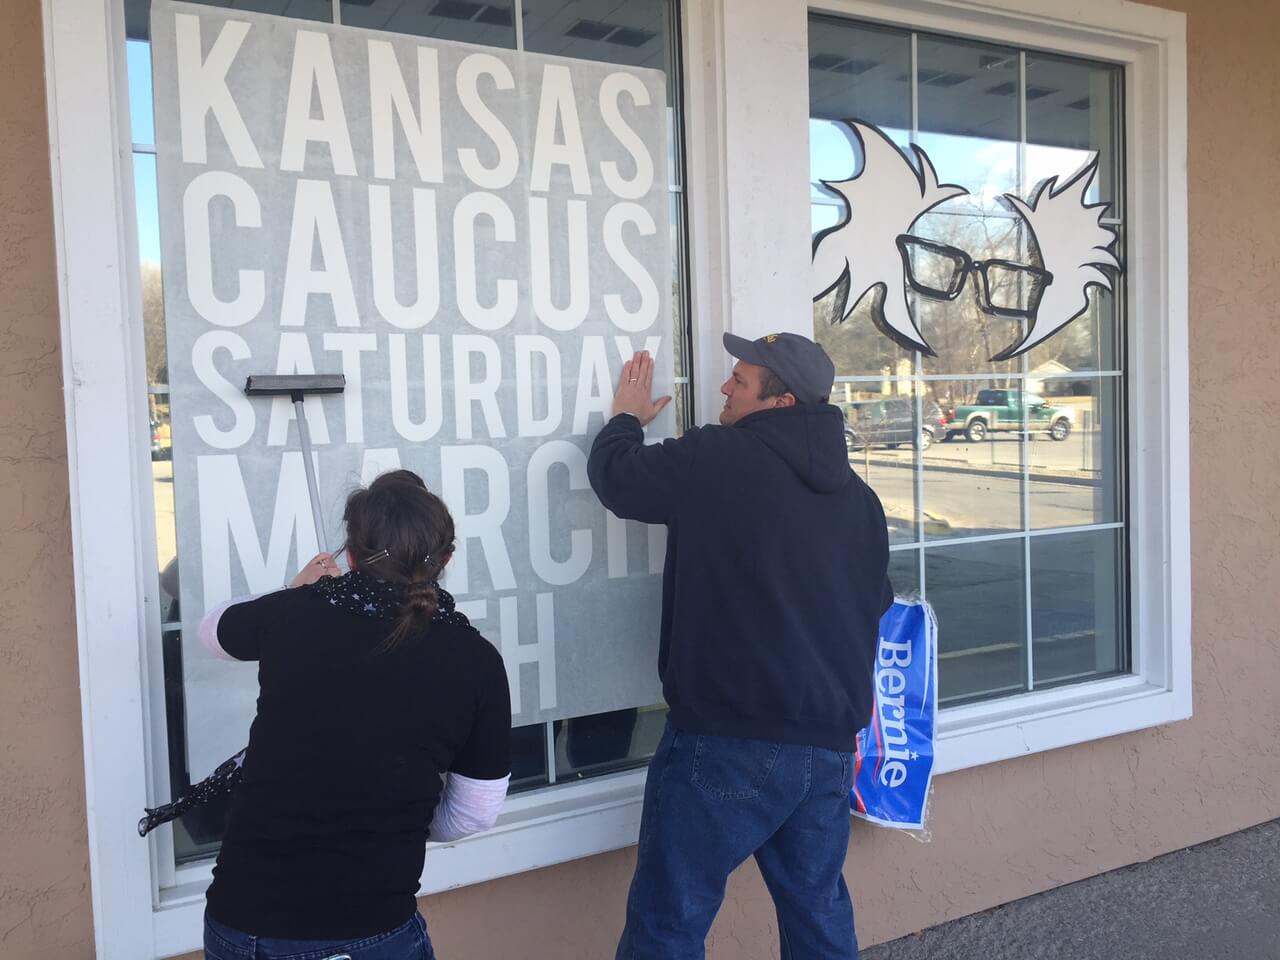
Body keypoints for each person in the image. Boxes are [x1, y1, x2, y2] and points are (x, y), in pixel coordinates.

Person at [588, 333, 892, 960]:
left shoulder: (718, 458)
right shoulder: (859, 500)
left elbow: (619, 479)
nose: (725, 388)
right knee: (817, 915)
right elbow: (874, 602)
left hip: (728, 743)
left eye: (741, 380)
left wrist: (625, 418)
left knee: (668, 923)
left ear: (782, 402)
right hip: (828, 751)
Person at [197, 470, 512, 960]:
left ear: (350, 553)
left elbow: (213, 631)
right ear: (446, 560)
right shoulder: (476, 660)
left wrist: (293, 589)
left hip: (237, 921)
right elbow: (475, 811)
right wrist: (396, 818)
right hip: (365, 927)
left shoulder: (292, 614)